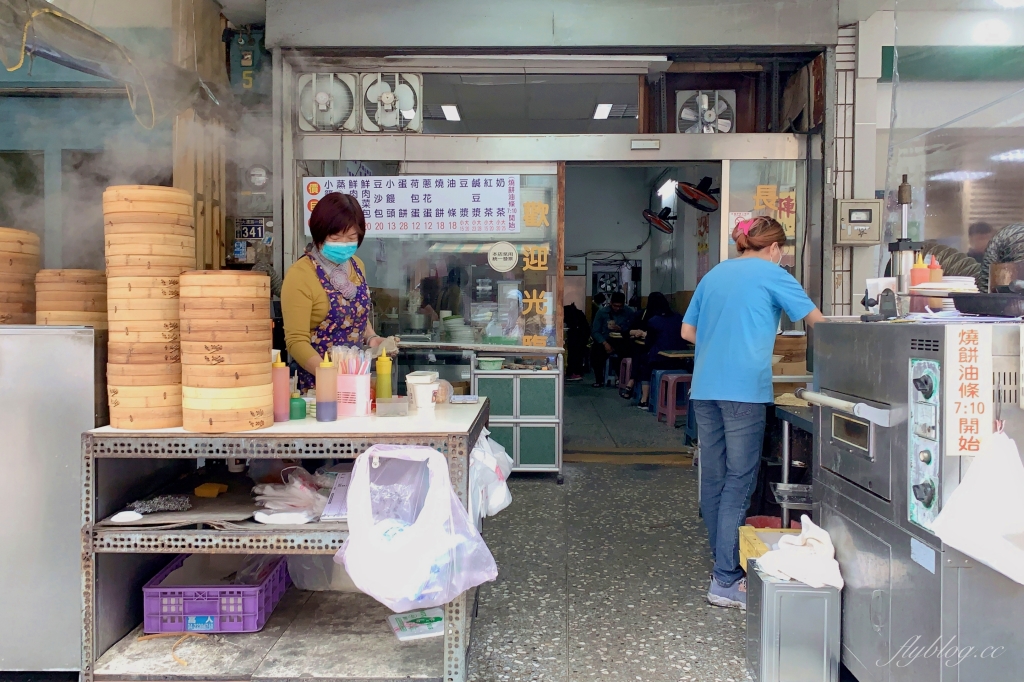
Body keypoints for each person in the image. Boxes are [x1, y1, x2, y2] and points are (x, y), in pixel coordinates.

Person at [681, 216, 825, 610]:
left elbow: (688, 332)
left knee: (714, 478)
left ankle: (722, 563)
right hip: (743, 390)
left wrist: (724, 340)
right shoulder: (774, 274)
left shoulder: (715, 274)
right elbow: (818, 323)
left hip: (705, 388)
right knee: (740, 481)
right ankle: (725, 579)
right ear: (775, 248)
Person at [281, 193, 396, 391]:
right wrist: (330, 375)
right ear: (319, 234)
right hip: (316, 386)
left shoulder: (357, 265)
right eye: (335, 237)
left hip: (354, 381)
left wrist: (372, 338)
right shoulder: (300, 274)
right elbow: (296, 342)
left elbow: (355, 314)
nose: (344, 244)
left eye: (351, 237)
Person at [620, 292, 688, 407]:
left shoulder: (653, 321)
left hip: (660, 361)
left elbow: (648, 343)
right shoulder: (679, 318)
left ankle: (644, 399)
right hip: (680, 361)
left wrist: (644, 335)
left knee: (643, 361)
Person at [590, 291, 634, 388]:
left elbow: (633, 327)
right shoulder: (602, 312)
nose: (617, 308)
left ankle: (623, 379)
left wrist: (621, 329)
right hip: (605, 340)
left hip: (622, 340)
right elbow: (595, 331)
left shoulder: (629, 312)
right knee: (595, 352)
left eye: (620, 306)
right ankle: (599, 380)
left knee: (629, 353)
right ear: (610, 303)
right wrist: (604, 343)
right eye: (615, 306)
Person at [563, 302, 591, 381]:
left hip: (577, 337)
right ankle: (575, 372)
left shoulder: (569, 314)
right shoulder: (578, 314)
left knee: (573, 355)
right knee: (577, 355)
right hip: (581, 337)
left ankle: (574, 373)